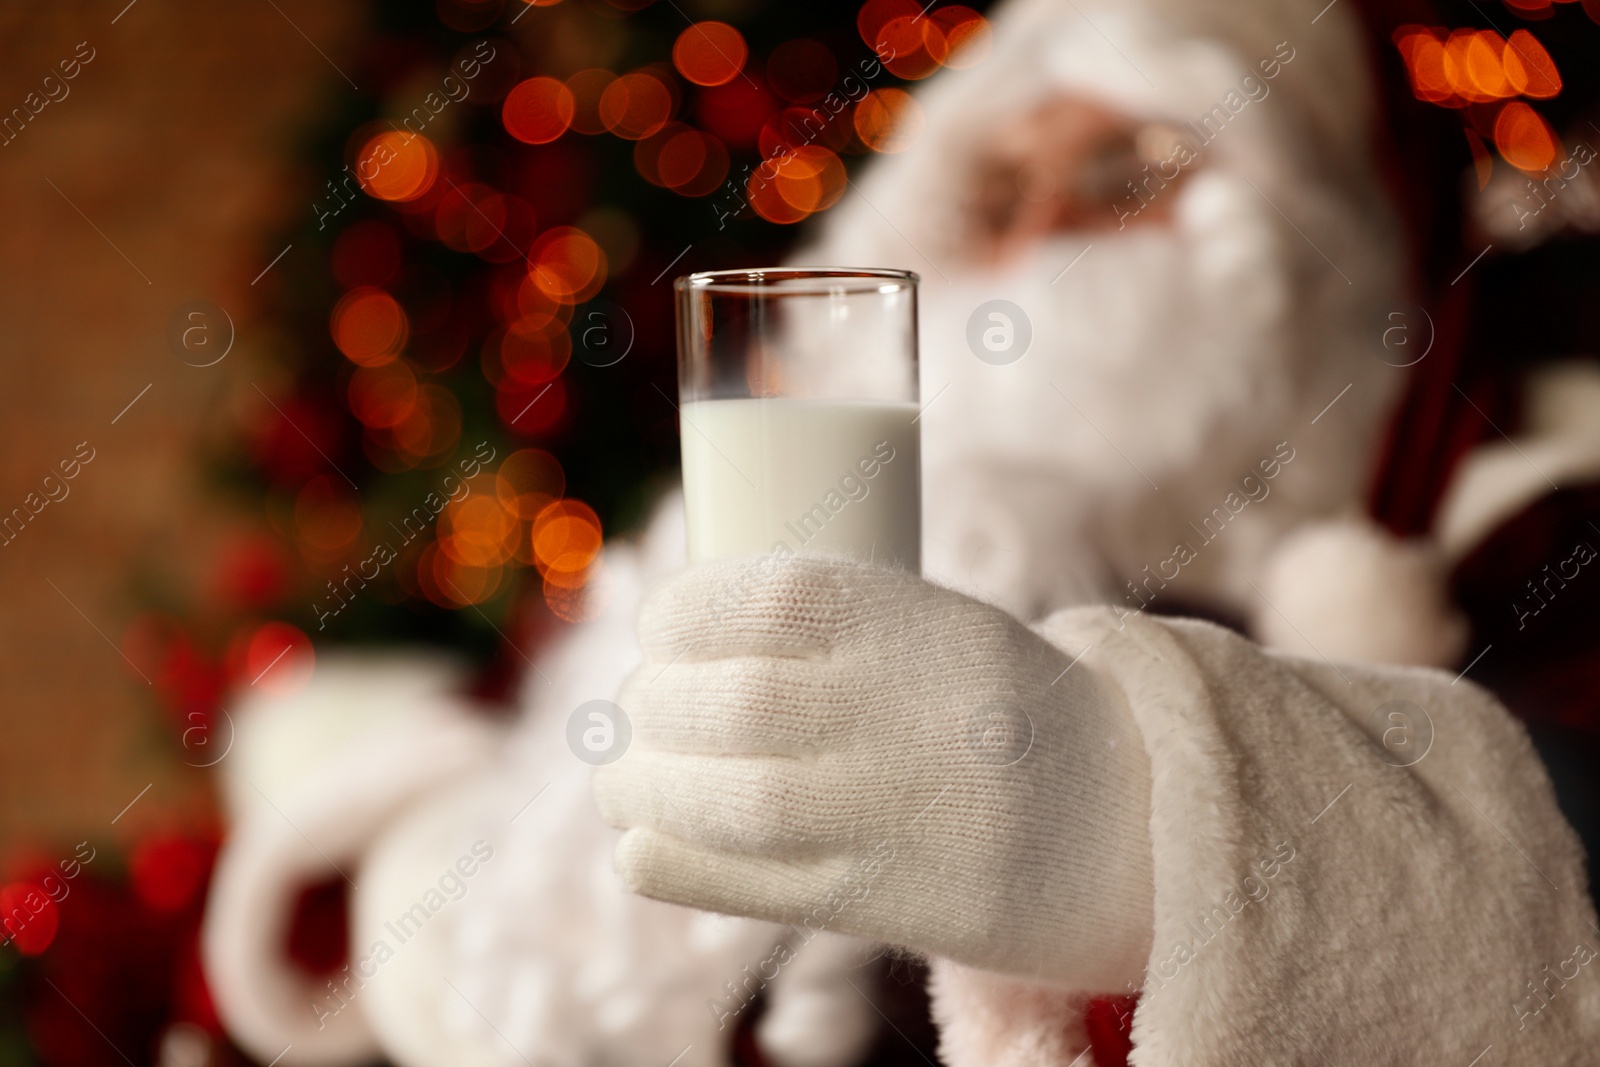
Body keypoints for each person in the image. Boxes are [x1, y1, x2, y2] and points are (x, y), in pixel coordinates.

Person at [203, 0, 1600, 1063]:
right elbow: (452, 799)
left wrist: (1132, 823)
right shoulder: (713, 547)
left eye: (1124, 177)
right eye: (995, 197)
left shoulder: (1497, 568)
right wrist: (447, 887)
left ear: (1316, 260)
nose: (1043, 225)